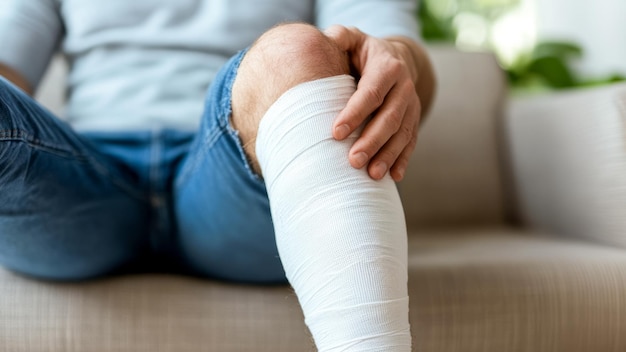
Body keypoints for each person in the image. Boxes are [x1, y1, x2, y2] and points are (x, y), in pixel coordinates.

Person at [0, 0, 435, 350]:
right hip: (79, 185)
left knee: (296, 50)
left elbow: (390, 45)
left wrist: (397, 59)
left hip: (236, 180)